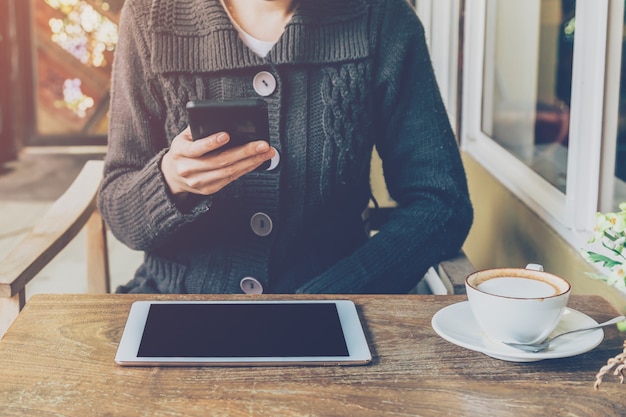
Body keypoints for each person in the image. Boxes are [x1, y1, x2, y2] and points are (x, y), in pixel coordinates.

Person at [98, 0, 473, 294]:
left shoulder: (382, 19)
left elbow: (442, 203)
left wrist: (339, 292)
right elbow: (120, 211)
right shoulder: (149, 17)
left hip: (339, 312)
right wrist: (171, 182)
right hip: (179, 306)